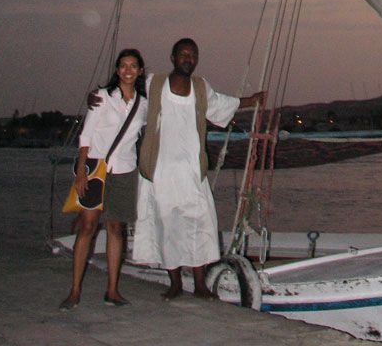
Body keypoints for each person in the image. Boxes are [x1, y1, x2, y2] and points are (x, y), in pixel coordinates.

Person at [133, 38, 263, 300]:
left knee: (199, 224)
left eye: (193, 55)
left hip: (192, 169)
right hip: (162, 170)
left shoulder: (201, 87)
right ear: (173, 57)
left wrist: (251, 100)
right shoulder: (154, 83)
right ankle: (175, 283)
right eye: (183, 54)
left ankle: (200, 284)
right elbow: (126, 92)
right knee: (167, 226)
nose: (188, 59)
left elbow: (221, 104)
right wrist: (100, 96)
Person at [60, 48, 148, 309]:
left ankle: (112, 290)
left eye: (133, 66)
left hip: (125, 170)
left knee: (115, 229)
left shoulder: (144, 104)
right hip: (96, 168)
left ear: (140, 71)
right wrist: (81, 172)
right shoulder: (102, 97)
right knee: (87, 227)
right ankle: (75, 290)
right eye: (123, 65)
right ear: (117, 70)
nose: (128, 70)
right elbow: (86, 135)